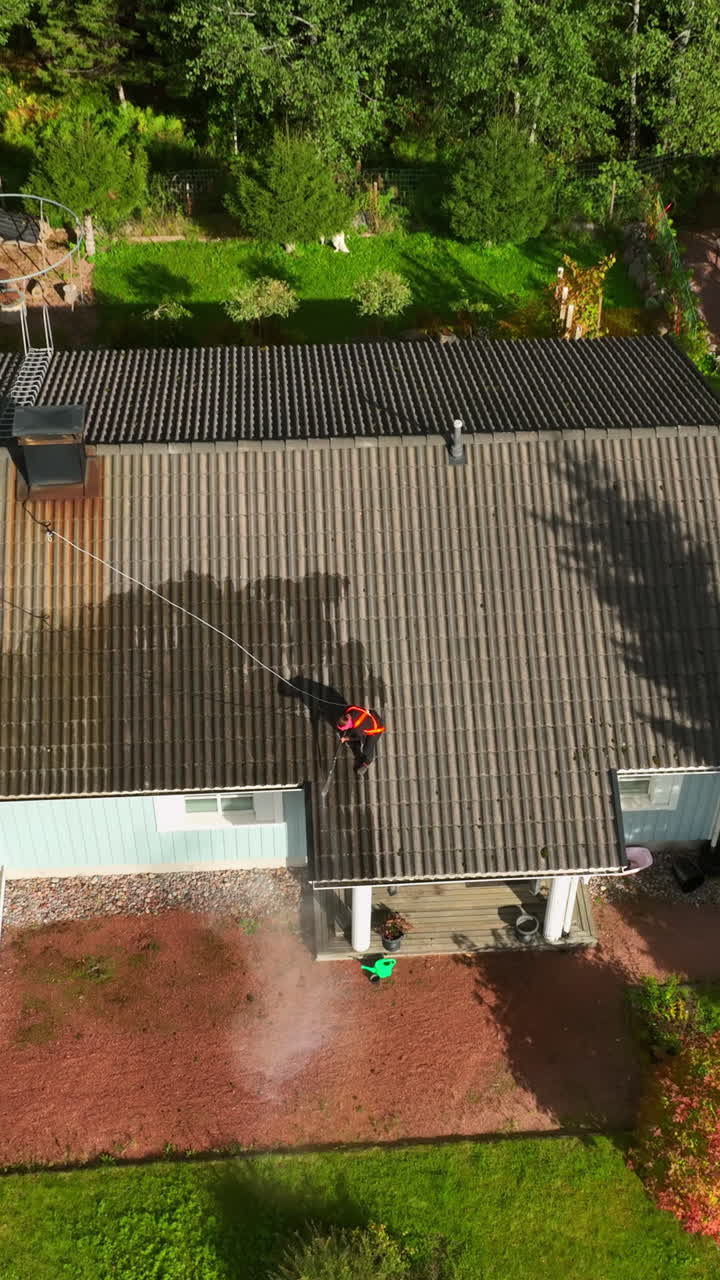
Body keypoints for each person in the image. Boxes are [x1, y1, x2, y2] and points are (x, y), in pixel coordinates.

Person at [336, 705, 386, 774]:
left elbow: (357, 737)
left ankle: (367, 762)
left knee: (367, 749)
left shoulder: (358, 729)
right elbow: (353, 707)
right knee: (355, 733)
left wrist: (346, 738)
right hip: (371, 716)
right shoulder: (350, 710)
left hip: (377, 728)